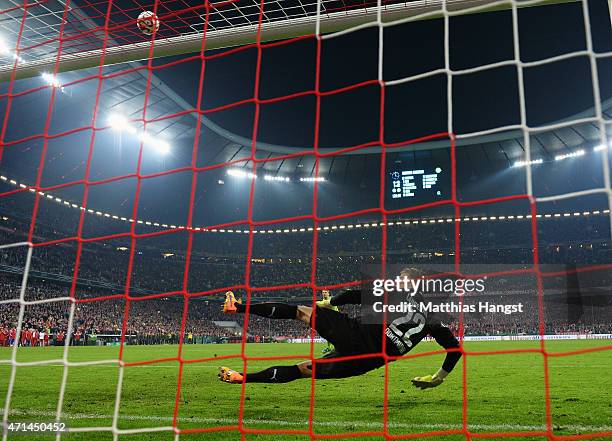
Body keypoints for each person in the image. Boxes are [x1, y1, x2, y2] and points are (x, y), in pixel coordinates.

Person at [218, 268, 462, 389]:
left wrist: (329, 302)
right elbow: (455, 351)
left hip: (356, 334)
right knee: (303, 370)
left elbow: (354, 294)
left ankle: (238, 307)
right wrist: (436, 379)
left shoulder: (401, 292)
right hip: (368, 360)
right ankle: (243, 378)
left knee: (299, 312)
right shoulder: (435, 320)